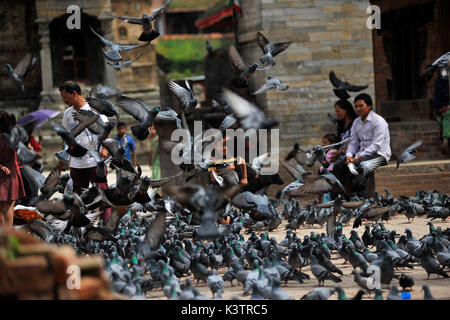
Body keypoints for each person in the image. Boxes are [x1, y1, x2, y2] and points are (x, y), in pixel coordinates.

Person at [59, 81, 111, 221]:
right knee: (77, 197)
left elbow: (107, 129)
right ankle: (81, 228)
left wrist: (106, 148)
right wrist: (62, 156)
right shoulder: (67, 114)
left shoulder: (94, 108)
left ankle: (106, 227)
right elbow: (65, 136)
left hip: (96, 161)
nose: (64, 101)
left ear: (74, 94)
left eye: (65, 97)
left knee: (102, 195)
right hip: (77, 164)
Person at [333, 93, 391, 197]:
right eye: (356, 106)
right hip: (361, 155)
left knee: (362, 164)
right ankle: (339, 197)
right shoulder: (356, 122)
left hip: (380, 155)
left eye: (361, 106)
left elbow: (376, 146)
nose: (358, 109)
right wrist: (349, 155)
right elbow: (353, 143)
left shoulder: (379, 121)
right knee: (338, 166)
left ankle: (362, 197)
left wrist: (358, 157)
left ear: (369, 106)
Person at [0, 111, 25, 227]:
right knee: (10, 206)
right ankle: (7, 236)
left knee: (0, 208)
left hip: (3, 171)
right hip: (13, 172)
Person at [433, 73, 450, 154]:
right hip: (443, 112)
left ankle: (445, 142)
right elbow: (437, 103)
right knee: (447, 116)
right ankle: (445, 142)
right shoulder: (441, 82)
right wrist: (443, 109)